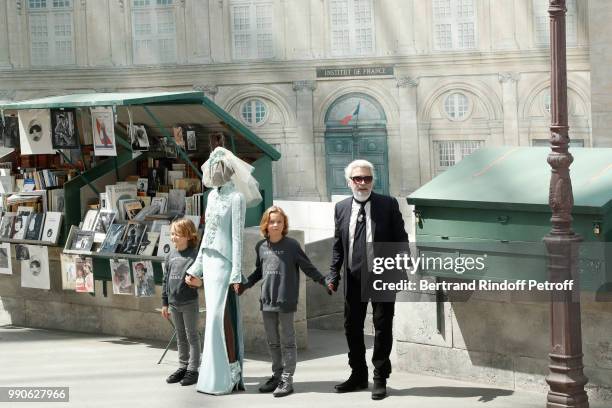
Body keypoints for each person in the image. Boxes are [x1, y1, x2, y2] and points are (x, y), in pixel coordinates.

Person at [327, 159, 409, 400]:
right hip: (353, 277)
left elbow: (401, 239)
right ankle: (358, 375)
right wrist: (333, 272)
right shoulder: (341, 208)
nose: (362, 183)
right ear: (349, 181)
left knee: (383, 326)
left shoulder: (388, 204)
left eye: (367, 178)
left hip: (383, 275)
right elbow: (337, 246)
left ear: (373, 180)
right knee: (352, 327)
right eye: (357, 179)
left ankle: (380, 377)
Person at [185, 146, 262, 395]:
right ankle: (215, 376)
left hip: (225, 263)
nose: (212, 173)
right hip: (208, 260)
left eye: (217, 169)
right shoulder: (211, 197)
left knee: (219, 318)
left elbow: (238, 237)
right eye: (211, 169)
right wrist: (196, 267)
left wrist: (237, 273)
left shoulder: (236, 198)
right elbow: (207, 234)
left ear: (228, 171)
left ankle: (228, 374)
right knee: (214, 319)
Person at [240, 206, 330, 397]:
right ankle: (277, 375)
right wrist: (245, 285)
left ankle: (287, 380)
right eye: (272, 221)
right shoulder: (261, 247)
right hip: (267, 301)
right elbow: (259, 272)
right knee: (273, 342)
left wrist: (324, 281)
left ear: (284, 224)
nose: (275, 225)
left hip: (286, 300)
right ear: (266, 224)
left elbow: (308, 267)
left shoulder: (292, 246)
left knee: (288, 341)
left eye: (279, 221)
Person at [161, 218, 200, 386]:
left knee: (192, 336)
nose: (173, 237)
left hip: (189, 302)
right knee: (180, 336)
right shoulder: (170, 255)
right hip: (174, 303)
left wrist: (200, 282)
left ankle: (193, 369)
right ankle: (182, 366)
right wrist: (165, 303)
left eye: (177, 234)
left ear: (188, 235)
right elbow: (165, 280)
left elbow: (202, 277)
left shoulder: (195, 255)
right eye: (172, 234)